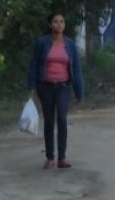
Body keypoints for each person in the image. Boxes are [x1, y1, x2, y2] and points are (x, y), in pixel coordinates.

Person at [27, 13, 84, 170]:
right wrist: (31, 87)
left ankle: (62, 158)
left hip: (63, 87)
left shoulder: (70, 45)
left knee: (62, 119)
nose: (59, 24)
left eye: (61, 22)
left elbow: (77, 69)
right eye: (55, 22)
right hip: (45, 87)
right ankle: (50, 157)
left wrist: (80, 92)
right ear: (51, 24)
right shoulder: (42, 43)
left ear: (64, 25)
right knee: (49, 121)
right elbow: (33, 64)